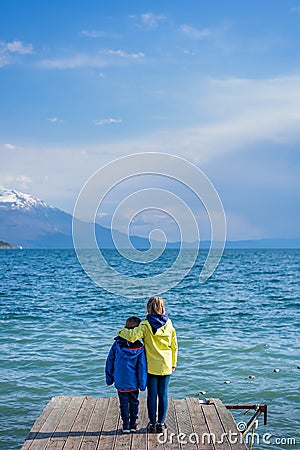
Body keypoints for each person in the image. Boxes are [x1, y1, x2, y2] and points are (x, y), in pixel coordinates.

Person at [118, 296, 178, 434]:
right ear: (162, 308)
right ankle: (161, 424)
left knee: (152, 395)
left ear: (148, 308)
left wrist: (121, 331)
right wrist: (173, 363)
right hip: (166, 364)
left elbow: (132, 336)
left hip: (151, 366)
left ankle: (152, 424)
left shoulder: (145, 325)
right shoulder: (168, 324)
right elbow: (174, 346)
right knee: (163, 395)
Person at [105, 316, 147, 433]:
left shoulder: (117, 345)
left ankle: (125, 425)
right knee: (134, 402)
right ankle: (133, 424)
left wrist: (109, 379)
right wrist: (143, 384)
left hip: (120, 381)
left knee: (123, 403)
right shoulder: (140, 348)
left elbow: (110, 361)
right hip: (133, 382)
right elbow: (142, 367)